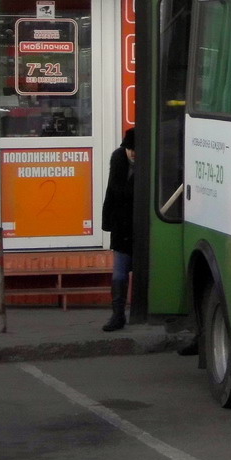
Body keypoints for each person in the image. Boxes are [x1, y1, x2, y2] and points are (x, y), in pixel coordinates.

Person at [101, 128, 135, 332]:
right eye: (130, 149)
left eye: (135, 149)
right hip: (122, 225)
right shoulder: (118, 159)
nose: (132, 153)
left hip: (140, 226)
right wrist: (109, 223)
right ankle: (118, 314)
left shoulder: (150, 160)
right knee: (120, 273)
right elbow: (114, 191)